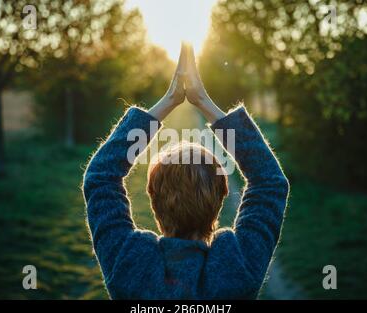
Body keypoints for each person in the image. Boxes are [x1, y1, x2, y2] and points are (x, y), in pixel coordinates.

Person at [82, 43, 289, 299]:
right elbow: (269, 182)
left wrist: (169, 100)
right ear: (221, 196)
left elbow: (100, 176)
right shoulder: (238, 271)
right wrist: (203, 101)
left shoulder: (129, 269)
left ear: (153, 198)